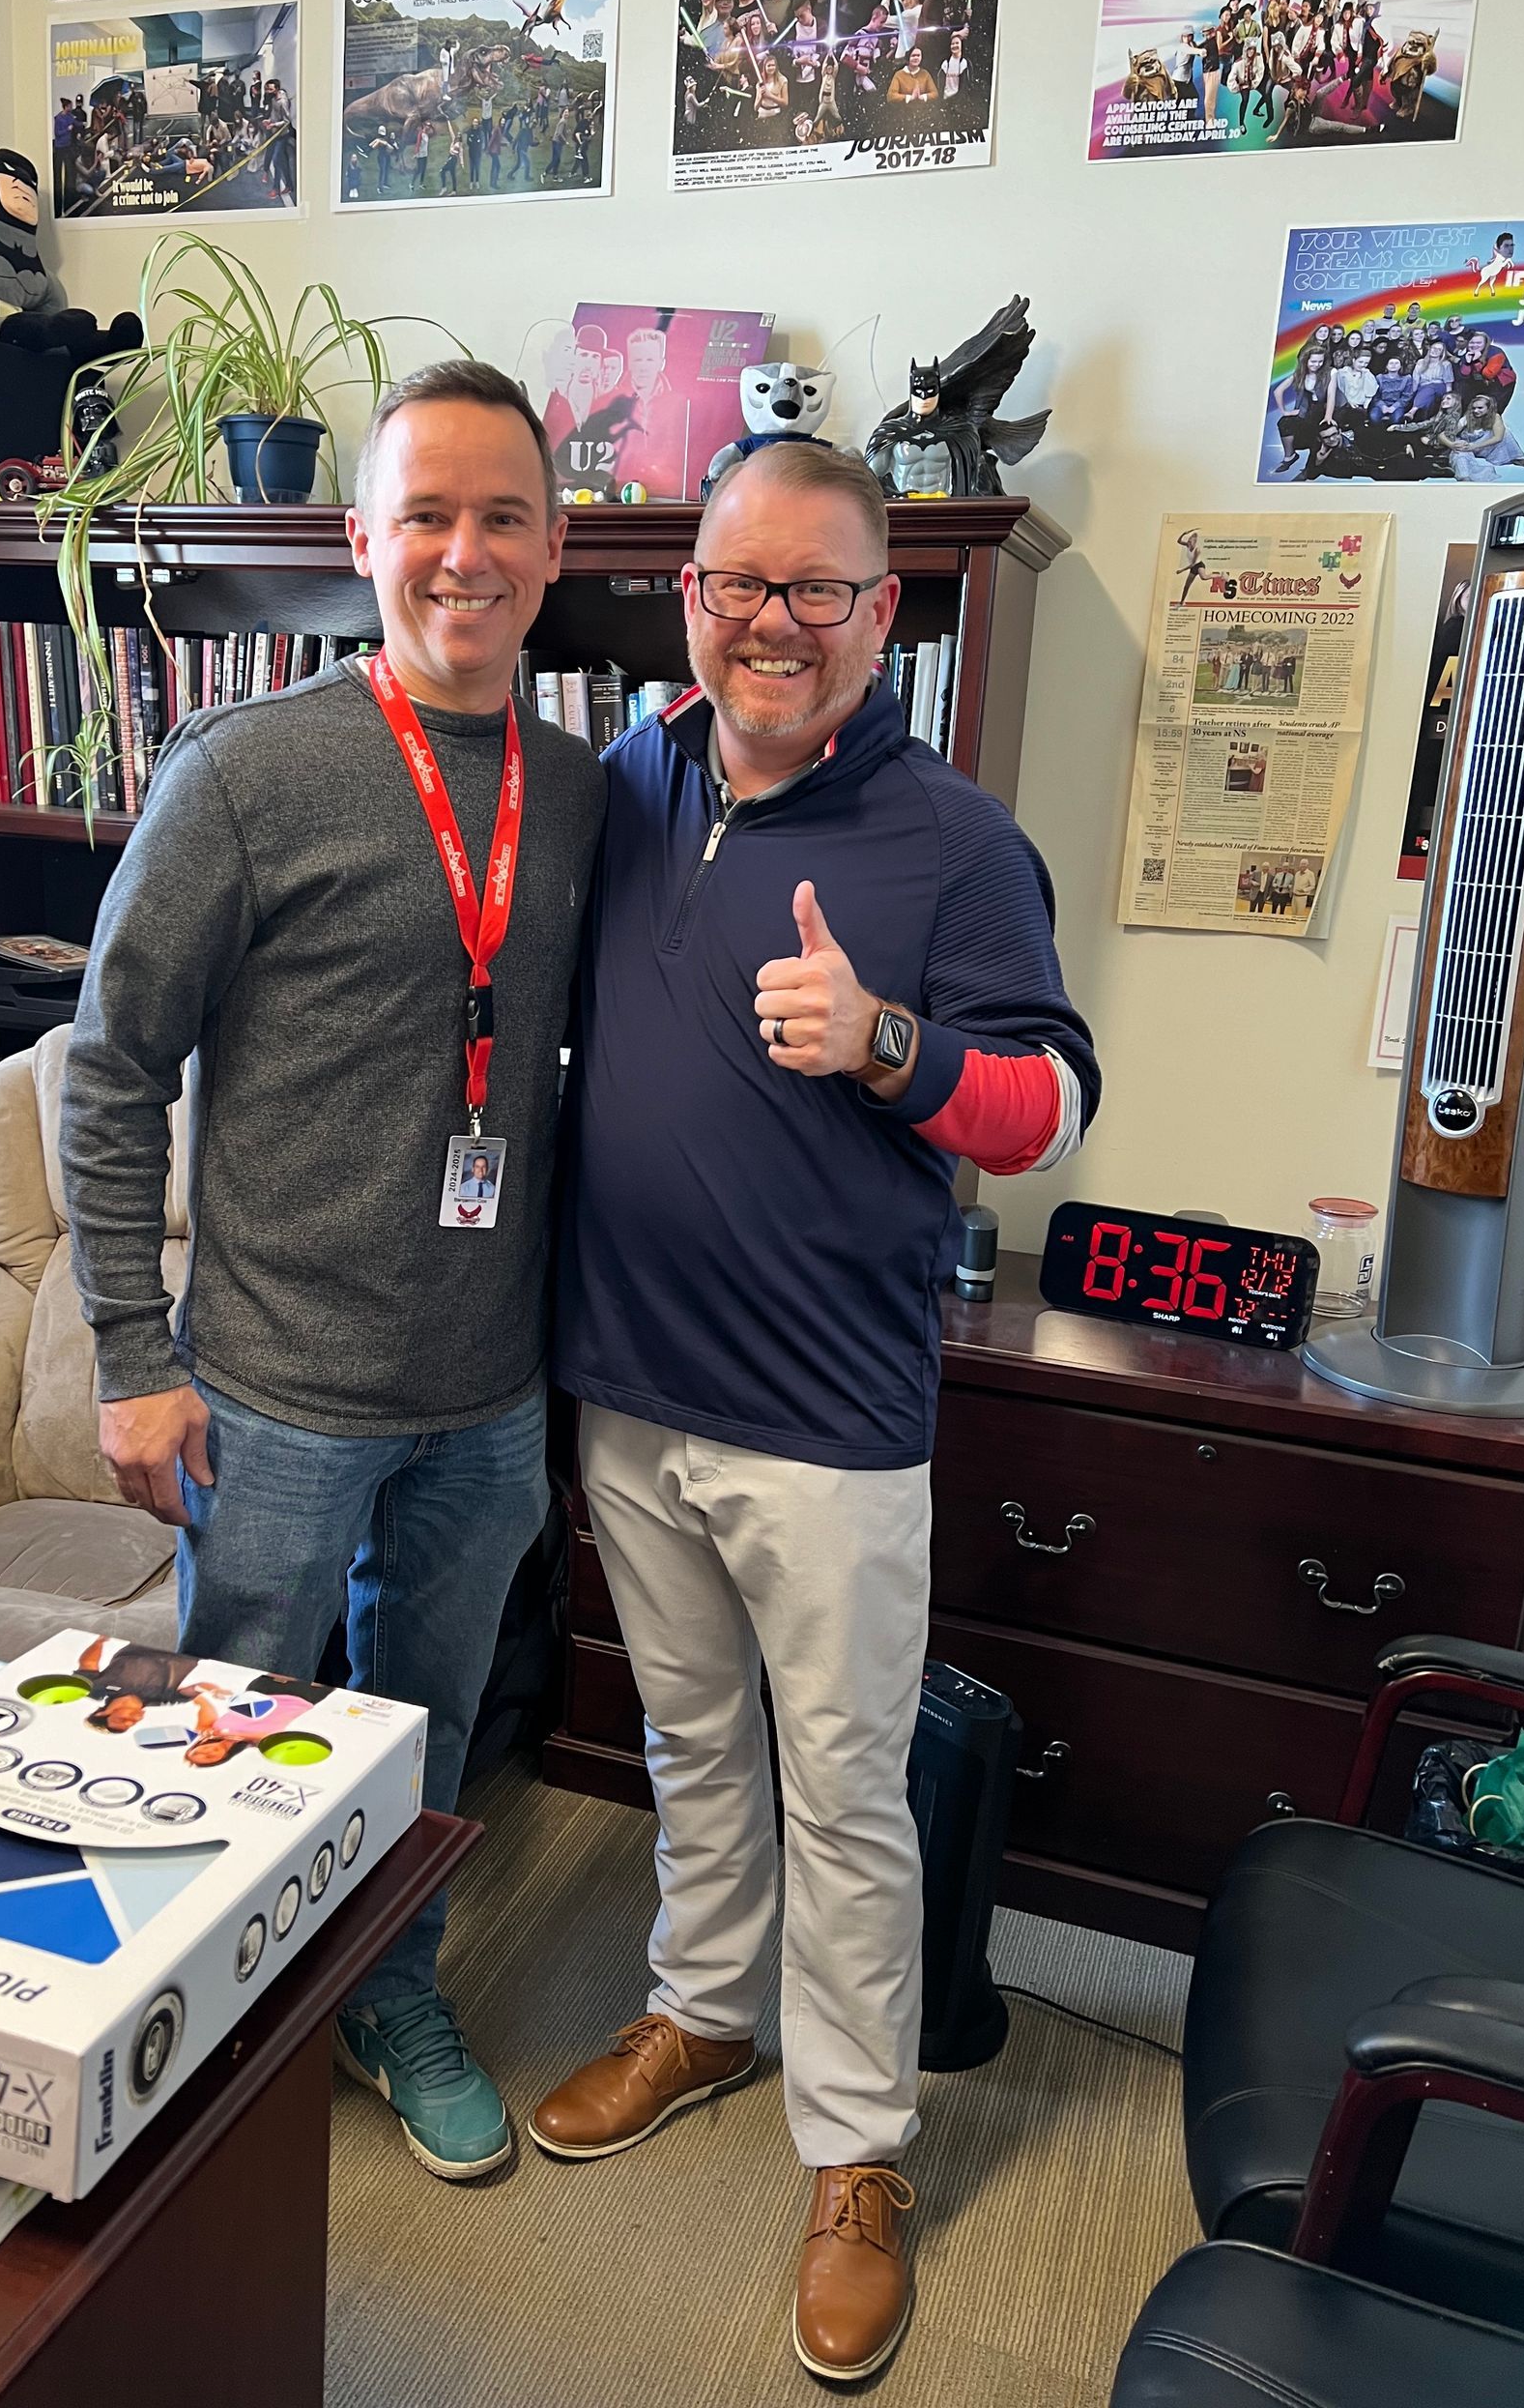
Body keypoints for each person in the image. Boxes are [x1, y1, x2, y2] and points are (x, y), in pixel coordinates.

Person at [533, 444, 1097, 2384]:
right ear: (686, 590)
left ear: (886, 611)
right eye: (736, 581)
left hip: (828, 1422)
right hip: (630, 1384)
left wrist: (891, 1043)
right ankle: (702, 2009)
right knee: (689, 1742)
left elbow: (1049, 1109)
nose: (772, 620)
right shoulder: (628, 781)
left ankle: (859, 2153)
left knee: (843, 1802)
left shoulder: (950, 843)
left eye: (819, 589)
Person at [60, 363, 607, 2183]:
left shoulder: (589, 794)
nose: (464, 552)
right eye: (426, 514)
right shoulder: (246, 775)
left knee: (428, 1733)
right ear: (361, 537)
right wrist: (134, 1356)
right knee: (225, 1738)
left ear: (553, 547)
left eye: (503, 515)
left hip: (484, 1391)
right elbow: (113, 1069)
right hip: (272, 1392)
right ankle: (178, 2044)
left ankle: (390, 1988)